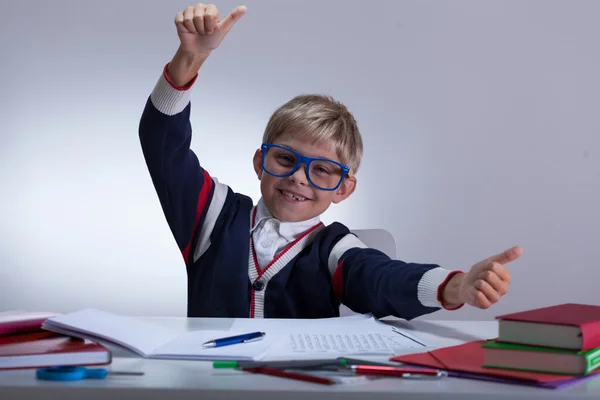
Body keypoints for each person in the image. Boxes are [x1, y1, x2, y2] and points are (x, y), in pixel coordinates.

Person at [138, 3, 523, 319]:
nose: (299, 178)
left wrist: (455, 286)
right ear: (260, 162)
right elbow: (162, 146)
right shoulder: (213, 217)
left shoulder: (335, 247)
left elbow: (382, 279)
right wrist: (190, 58)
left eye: (322, 169)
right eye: (286, 158)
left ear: (343, 188)